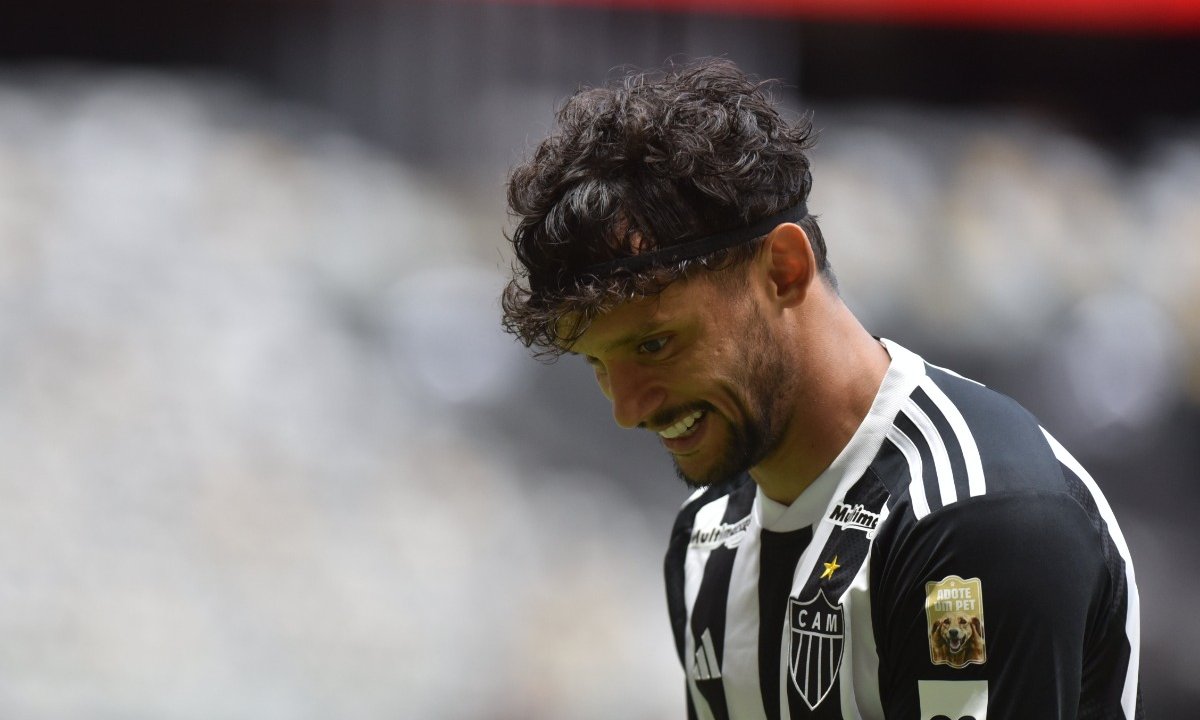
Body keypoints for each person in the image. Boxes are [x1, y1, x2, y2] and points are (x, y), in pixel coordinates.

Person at [500, 58, 1142, 720]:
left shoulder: (977, 515)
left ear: (783, 269)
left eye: (655, 344)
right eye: (597, 363)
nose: (627, 408)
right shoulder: (707, 537)